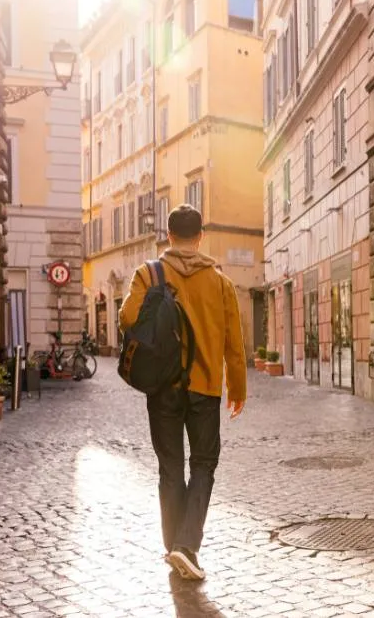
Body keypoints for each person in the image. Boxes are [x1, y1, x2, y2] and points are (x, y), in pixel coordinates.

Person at [119, 204, 247, 581]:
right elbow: (233, 343)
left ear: (169, 236)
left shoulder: (148, 274)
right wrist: (237, 388)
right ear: (201, 236)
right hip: (205, 389)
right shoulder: (220, 282)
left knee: (170, 467)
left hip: (163, 387)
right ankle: (186, 546)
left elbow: (127, 318)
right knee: (204, 464)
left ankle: (174, 544)